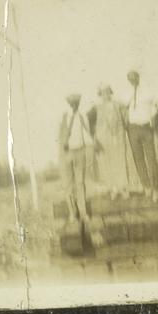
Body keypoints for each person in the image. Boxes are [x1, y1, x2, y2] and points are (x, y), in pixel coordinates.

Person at [87, 84, 131, 200]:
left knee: (120, 162)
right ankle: (113, 189)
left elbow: (127, 117)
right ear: (100, 94)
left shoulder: (118, 105)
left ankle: (123, 188)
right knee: (107, 164)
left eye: (107, 92)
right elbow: (89, 124)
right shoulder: (96, 108)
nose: (105, 95)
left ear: (111, 93)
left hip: (118, 138)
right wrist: (94, 139)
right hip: (103, 140)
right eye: (103, 92)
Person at [124, 70, 158, 203]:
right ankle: (147, 186)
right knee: (138, 159)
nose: (132, 80)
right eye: (130, 79)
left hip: (146, 127)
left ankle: (156, 189)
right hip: (132, 129)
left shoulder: (148, 90)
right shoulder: (125, 93)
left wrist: (152, 119)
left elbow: (156, 107)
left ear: (138, 78)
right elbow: (123, 109)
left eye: (134, 78)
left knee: (151, 158)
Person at [58, 93, 93, 222]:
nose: (74, 105)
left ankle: (83, 212)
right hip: (67, 153)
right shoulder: (63, 117)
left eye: (76, 103)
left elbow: (88, 135)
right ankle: (72, 212)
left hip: (80, 152)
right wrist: (62, 153)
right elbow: (58, 137)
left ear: (78, 103)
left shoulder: (83, 117)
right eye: (72, 103)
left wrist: (90, 150)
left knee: (80, 183)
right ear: (69, 104)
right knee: (68, 184)